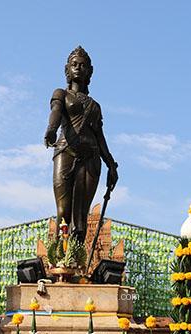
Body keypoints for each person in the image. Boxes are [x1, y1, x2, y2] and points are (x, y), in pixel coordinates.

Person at [44, 46, 118, 243]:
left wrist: (111, 164)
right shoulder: (61, 94)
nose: (78, 68)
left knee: (80, 219)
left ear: (90, 71)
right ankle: (58, 259)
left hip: (91, 158)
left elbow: (100, 136)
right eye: (74, 64)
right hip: (66, 151)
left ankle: (76, 263)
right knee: (63, 209)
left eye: (83, 65)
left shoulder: (95, 106)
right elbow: (56, 114)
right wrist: (51, 130)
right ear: (67, 69)